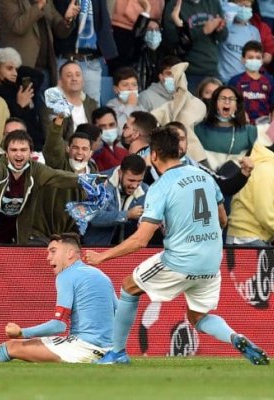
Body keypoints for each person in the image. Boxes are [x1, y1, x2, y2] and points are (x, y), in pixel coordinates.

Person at [84, 126, 270, 366]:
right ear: (179, 151)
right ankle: (234, 337)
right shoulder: (204, 177)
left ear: (154, 155)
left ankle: (117, 353)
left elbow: (140, 240)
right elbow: (223, 220)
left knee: (129, 287)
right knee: (197, 316)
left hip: (180, 260)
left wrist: (102, 257)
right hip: (212, 262)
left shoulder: (160, 187)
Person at [0, 232, 117, 364]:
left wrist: (22, 332)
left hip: (82, 348)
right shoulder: (102, 275)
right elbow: (118, 313)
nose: (48, 257)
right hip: (107, 350)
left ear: (70, 254)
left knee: (13, 347)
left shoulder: (66, 275)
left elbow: (59, 325)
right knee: (19, 346)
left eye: (53, 251)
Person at [0, 130, 84, 244]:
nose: (19, 154)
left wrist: (87, 180)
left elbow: (58, 176)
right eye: (14, 150)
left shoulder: (36, 170)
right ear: (6, 152)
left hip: (10, 236)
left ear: (30, 152)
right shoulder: (0, 166)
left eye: (23, 150)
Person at [83, 154, 147, 245]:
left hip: (126, 250)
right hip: (96, 247)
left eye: (139, 181)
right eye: (131, 180)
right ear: (120, 173)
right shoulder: (101, 183)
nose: (135, 186)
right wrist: (127, 215)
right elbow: (94, 218)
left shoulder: (144, 189)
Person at [195, 85, 257, 171]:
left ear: (237, 106)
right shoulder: (200, 129)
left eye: (231, 99)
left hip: (238, 180)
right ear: (215, 104)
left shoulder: (249, 131)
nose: (227, 102)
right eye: (222, 98)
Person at [229, 41, 274, 124]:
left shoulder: (270, 81)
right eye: (250, 57)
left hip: (265, 126)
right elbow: (230, 104)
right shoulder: (235, 81)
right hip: (242, 125)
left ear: (262, 60)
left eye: (258, 58)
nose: (254, 60)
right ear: (243, 59)